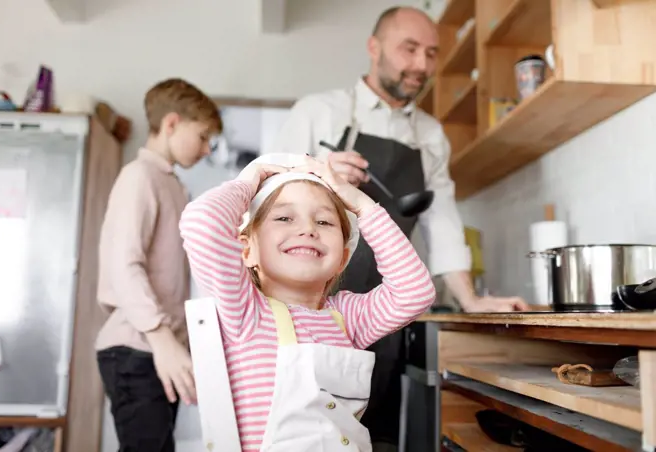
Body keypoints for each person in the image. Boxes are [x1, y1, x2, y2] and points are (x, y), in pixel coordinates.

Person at [271, 6, 529, 451]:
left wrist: (469, 298)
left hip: (386, 308)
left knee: (375, 429)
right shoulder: (319, 112)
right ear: (374, 49)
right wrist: (316, 172)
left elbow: (442, 216)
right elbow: (265, 193)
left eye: (431, 53)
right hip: (310, 305)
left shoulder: (430, 135)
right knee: (304, 429)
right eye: (409, 49)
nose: (422, 66)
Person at [178, 153, 436, 451]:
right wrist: (249, 180)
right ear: (247, 251)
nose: (308, 229)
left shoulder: (346, 318)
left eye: (325, 221)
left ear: (342, 259)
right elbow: (201, 223)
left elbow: (415, 292)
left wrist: (363, 206)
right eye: (284, 217)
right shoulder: (245, 310)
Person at [95, 78, 223, 452]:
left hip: (155, 347)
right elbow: (124, 266)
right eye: (202, 136)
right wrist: (161, 337)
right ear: (171, 124)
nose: (207, 147)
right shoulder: (139, 177)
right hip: (137, 347)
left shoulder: (173, 185)